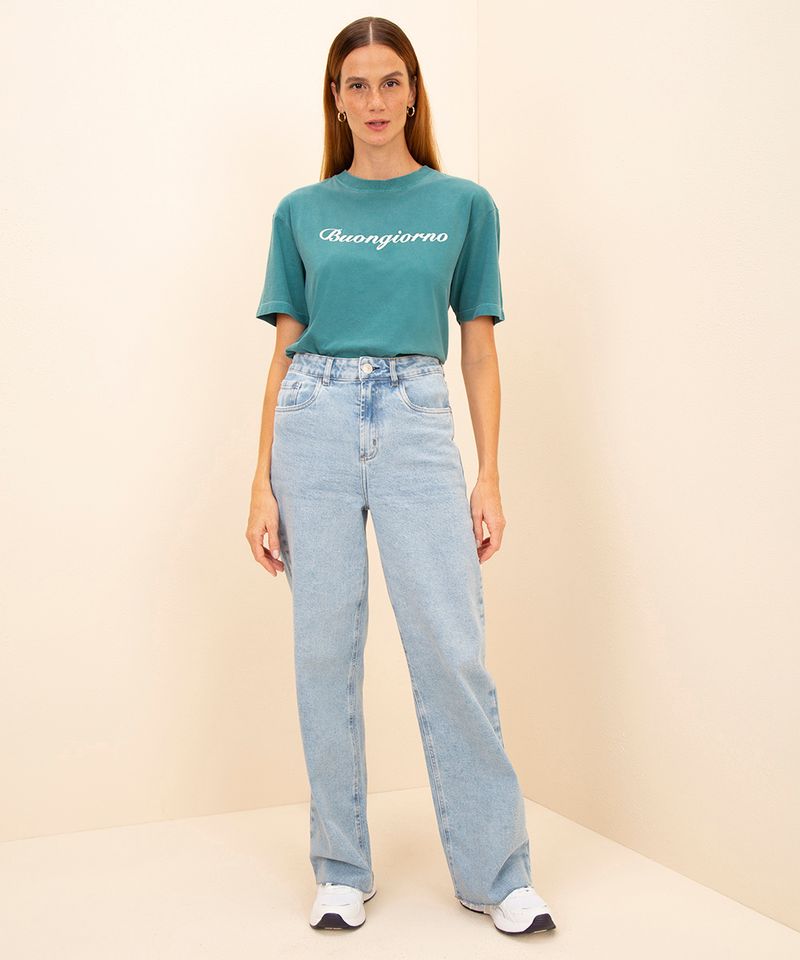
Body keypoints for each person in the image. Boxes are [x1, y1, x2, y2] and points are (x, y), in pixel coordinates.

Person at [246, 16, 557, 937]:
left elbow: (479, 349)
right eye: (357, 84)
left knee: (451, 648)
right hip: (313, 420)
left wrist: (489, 475)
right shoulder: (301, 211)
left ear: (414, 92)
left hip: (418, 421)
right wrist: (261, 481)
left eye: (391, 82)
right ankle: (341, 868)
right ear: (335, 98)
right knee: (324, 653)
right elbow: (283, 353)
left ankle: (498, 873)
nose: (375, 101)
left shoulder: (464, 203)